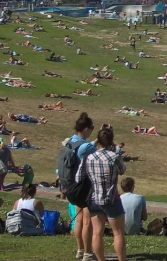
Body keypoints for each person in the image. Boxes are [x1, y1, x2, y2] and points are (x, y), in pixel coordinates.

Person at [77, 128, 127, 261]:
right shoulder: (114, 156)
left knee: (97, 233)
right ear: (111, 141)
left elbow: (78, 177)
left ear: (98, 140)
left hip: (94, 198)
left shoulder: (88, 157)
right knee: (118, 233)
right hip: (111, 198)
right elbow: (122, 170)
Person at [62, 112, 97, 260]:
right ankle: (88, 252)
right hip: (83, 187)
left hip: (71, 186)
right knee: (87, 221)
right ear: (86, 128)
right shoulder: (85, 146)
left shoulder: (70, 141)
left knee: (79, 220)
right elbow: (94, 149)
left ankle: (80, 250)